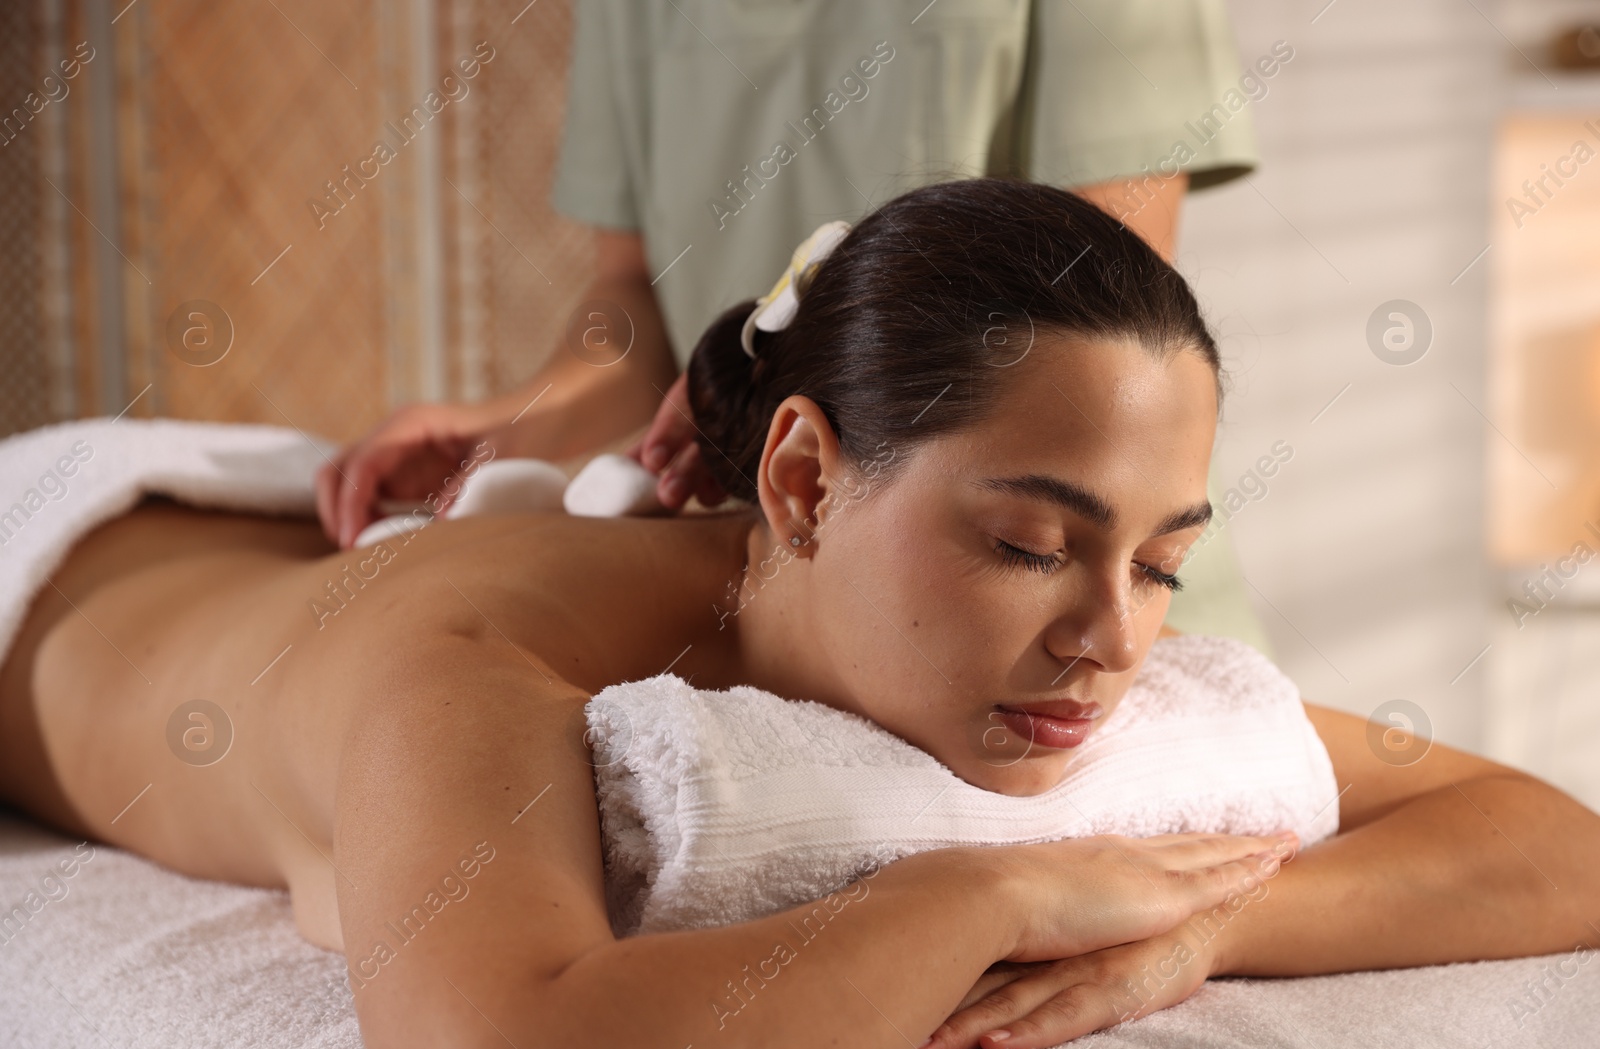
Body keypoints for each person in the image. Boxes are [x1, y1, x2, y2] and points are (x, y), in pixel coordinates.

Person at [5, 181, 1593, 1049]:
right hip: (60, 564)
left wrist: (1202, 928)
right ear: (807, 480)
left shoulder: (1041, 637)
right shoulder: (474, 666)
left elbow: (1556, 840)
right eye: (1031, 542)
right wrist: (999, 889)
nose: (1117, 639)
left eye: (1164, 560)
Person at [315, 0, 1273, 653]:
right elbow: (633, 305)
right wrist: (511, 426)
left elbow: (1095, 298)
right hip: (791, 598)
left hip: (1061, 588)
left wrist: (782, 346)